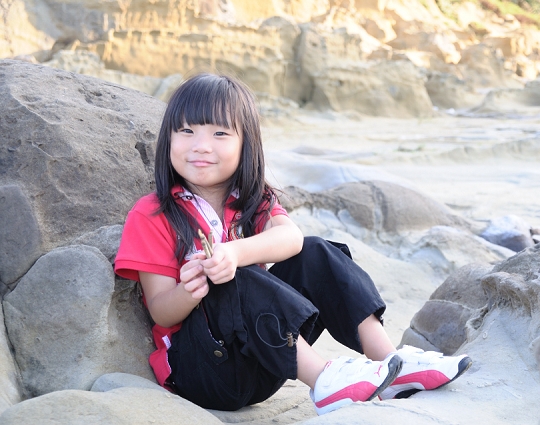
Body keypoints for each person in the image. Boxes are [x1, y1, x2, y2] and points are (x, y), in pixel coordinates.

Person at [114, 73, 472, 415]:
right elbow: (161, 311)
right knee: (234, 279)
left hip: (265, 363)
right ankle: (324, 381)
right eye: (186, 131)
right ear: (169, 138)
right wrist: (191, 290)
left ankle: (392, 363)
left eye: (220, 133)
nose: (201, 145)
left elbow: (291, 238)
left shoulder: (251, 199)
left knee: (315, 252)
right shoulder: (153, 213)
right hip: (202, 372)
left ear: (246, 144)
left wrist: (234, 252)